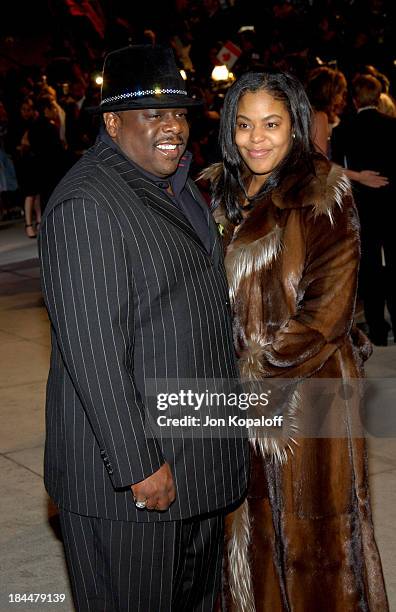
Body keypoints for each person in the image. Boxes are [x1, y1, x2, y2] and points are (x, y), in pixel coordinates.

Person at [38, 44, 248, 612]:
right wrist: (138, 466)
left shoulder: (176, 184)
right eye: (153, 114)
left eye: (179, 113)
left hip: (196, 462)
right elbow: (94, 352)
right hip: (133, 483)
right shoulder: (88, 203)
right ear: (112, 121)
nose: (172, 127)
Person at [204, 71, 388, 611]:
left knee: (319, 549)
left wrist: (252, 377)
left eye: (271, 124)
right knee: (248, 540)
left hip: (310, 396)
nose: (256, 139)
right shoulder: (213, 193)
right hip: (234, 406)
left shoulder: (322, 193)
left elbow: (326, 314)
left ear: (297, 126)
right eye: (243, 125)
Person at [332, 73, 396, 346]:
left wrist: (358, 177)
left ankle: (378, 330)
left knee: (369, 268)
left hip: (364, 205)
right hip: (394, 205)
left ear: (354, 100)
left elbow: (334, 170)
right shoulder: (394, 126)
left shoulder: (344, 130)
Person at [306, 65, 388, 190]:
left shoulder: (310, 113)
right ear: (330, 93)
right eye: (341, 92)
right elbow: (320, 165)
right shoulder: (319, 116)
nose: (342, 98)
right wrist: (359, 176)